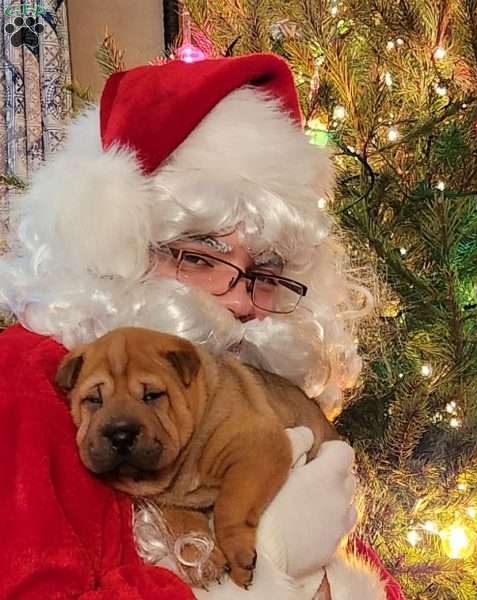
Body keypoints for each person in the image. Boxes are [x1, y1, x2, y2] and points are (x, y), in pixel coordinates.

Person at [0, 53, 405, 600]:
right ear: (114, 254)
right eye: (196, 257)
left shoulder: (252, 395)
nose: (240, 302)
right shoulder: (27, 380)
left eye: (266, 273)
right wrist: (270, 573)